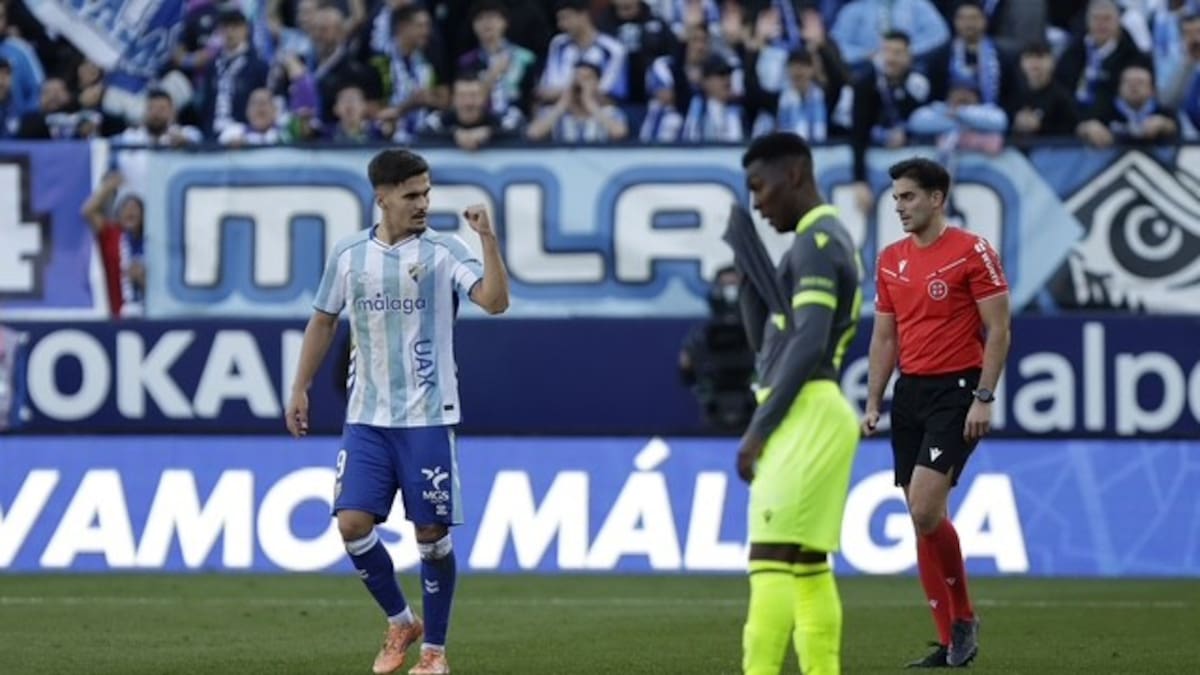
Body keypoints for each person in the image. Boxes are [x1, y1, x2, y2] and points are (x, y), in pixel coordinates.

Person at [285, 149, 510, 675]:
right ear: (381, 197)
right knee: (351, 525)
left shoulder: (444, 251)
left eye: (427, 193)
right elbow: (323, 321)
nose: (423, 204)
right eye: (411, 195)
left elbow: (495, 302)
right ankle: (401, 621)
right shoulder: (348, 255)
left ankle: (434, 654)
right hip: (366, 417)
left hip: (428, 416)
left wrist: (489, 241)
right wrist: (300, 386)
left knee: (430, 535)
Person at [860, 158, 1011, 669]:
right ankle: (950, 643)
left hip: (958, 389)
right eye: (896, 198)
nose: (899, 206)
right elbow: (884, 335)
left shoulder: (973, 251)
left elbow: (999, 331)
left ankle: (964, 616)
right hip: (911, 393)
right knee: (923, 519)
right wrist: (875, 398)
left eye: (908, 197)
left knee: (925, 509)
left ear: (936, 198)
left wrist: (984, 398)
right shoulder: (889, 259)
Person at [726, 131, 863, 675]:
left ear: (796, 175)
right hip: (818, 410)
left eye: (761, 187)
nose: (758, 201)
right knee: (807, 567)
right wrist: (749, 277)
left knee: (769, 560)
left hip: (804, 412)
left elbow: (807, 342)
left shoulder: (815, 239)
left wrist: (759, 429)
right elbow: (771, 344)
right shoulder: (823, 239)